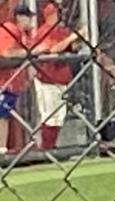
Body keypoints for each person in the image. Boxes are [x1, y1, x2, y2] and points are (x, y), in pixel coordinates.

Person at [30, 1, 79, 150]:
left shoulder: (61, 31)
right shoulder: (44, 30)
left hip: (61, 78)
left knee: (59, 117)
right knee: (50, 116)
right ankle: (47, 147)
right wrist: (71, 38)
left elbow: (71, 48)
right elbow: (53, 49)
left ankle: (52, 146)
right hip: (47, 79)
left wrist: (77, 38)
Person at [0, 3, 34, 155]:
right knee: (2, 114)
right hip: (4, 81)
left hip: (12, 81)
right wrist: (27, 52)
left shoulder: (24, 34)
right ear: (19, 17)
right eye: (27, 17)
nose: (30, 21)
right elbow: (6, 52)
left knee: (5, 114)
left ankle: (2, 148)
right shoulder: (9, 29)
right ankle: (1, 148)